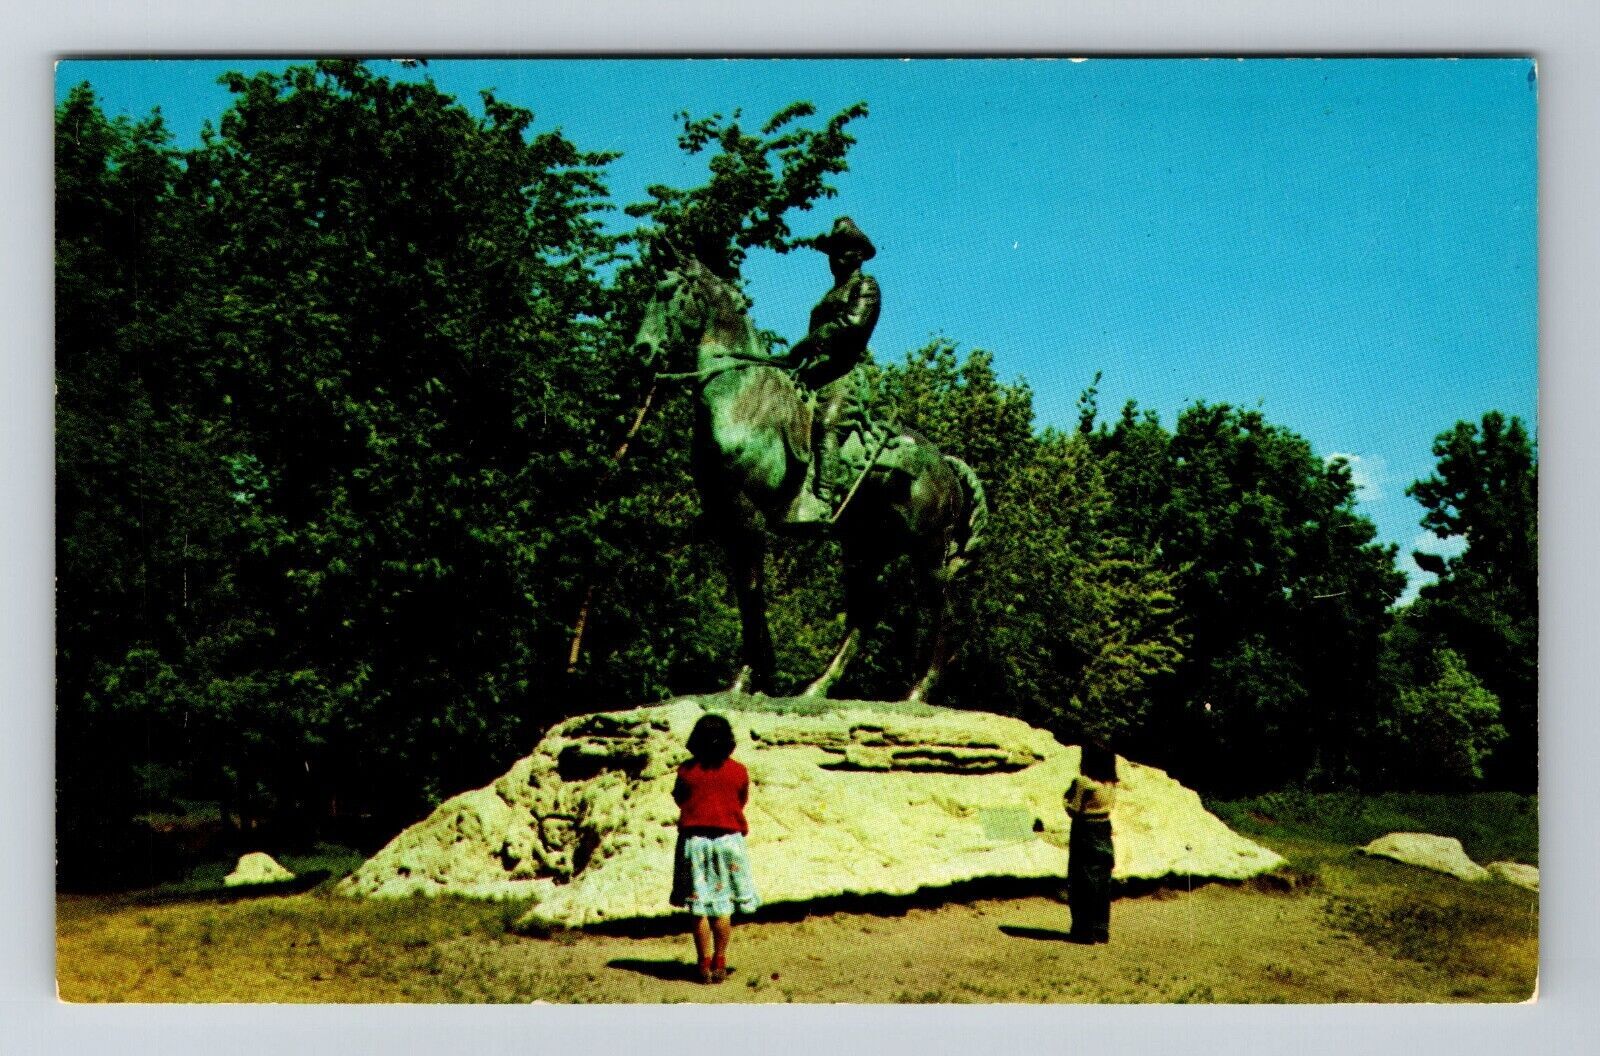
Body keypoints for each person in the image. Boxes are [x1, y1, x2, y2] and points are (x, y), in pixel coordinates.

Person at [776, 216, 883, 525]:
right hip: (814, 374)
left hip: (844, 373)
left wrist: (803, 347)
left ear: (859, 255)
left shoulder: (866, 286)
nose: (835, 258)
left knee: (826, 424)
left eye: (843, 250)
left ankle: (823, 501)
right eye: (832, 251)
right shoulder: (827, 296)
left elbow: (852, 326)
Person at [670, 713, 760, 984]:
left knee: (699, 908)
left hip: (695, 842)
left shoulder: (686, 771)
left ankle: (703, 963)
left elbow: (680, 799)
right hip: (728, 842)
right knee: (722, 907)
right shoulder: (739, 771)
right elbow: (740, 800)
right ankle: (720, 961)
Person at [1064, 741, 1120, 944]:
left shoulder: (1083, 782)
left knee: (1081, 880)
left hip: (1085, 829)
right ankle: (1101, 929)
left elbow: (1073, 808)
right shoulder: (1111, 784)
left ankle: (1083, 930)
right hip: (1104, 827)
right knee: (1102, 880)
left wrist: (1065, 800)